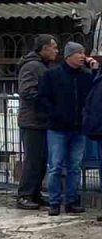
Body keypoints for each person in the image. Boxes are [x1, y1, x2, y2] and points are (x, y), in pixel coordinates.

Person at [37, 42, 96, 216]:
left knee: (75, 166)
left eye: (83, 53)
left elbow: (95, 94)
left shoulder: (86, 76)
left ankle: (71, 200)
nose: (83, 57)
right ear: (69, 56)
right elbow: (42, 98)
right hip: (58, 128)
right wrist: (54, 114)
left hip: (78, 128)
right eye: (79, 53)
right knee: (55, 166)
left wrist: (94, 70)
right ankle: (54, 202)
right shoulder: (52, 75)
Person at [15, 35, 58, 209]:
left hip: (41, 120)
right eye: (53, 47)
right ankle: (24, 195)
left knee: (41, 160)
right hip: (32, 120)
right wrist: (47, 102)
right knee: (33, 160)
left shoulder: (42, 66)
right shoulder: (32, 66)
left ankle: (34, 193)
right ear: (43, 48)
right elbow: (27, 92)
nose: (56, 51)